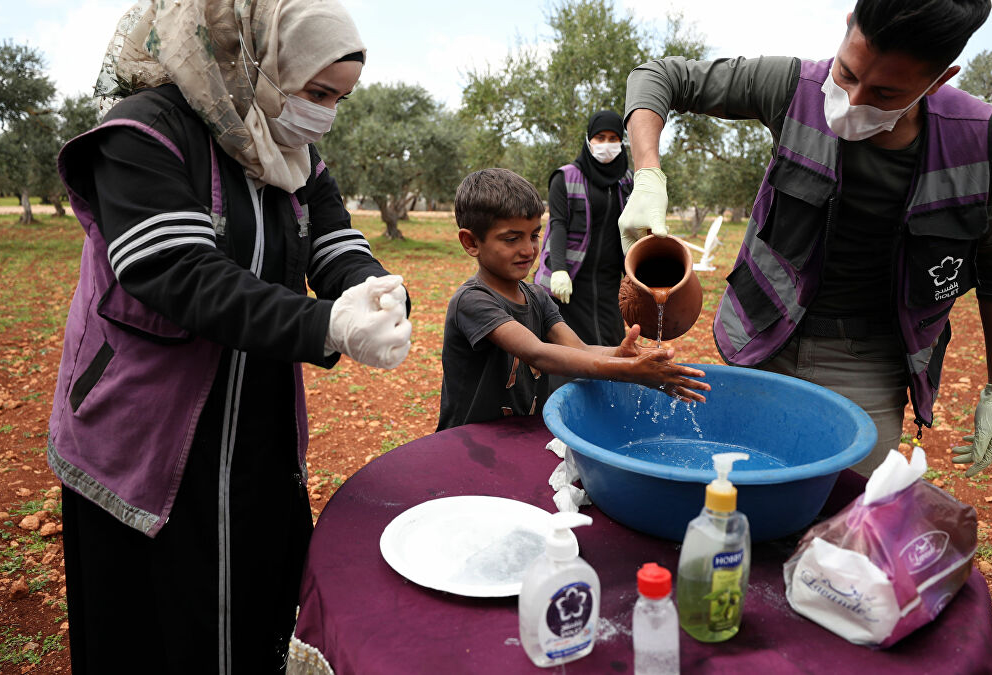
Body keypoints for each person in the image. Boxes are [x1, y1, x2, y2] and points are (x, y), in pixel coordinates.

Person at [46, 1, 411, 672]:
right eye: (318, 92)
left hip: (256, 432)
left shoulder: (291, 151)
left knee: (254, 612)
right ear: (259, 57)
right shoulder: (143, 133)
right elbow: (180, 274)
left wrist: (376, 292)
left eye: (338, 99)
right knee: (155, 629)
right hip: (147, 439)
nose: (324, 113)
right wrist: (326, 324)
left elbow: (335, 245)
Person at [619, 0, 992, 477]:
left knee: (843, 506)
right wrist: (648, 173)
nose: (853, 101)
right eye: (848, 74)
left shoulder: (980, 140)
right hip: (762, 339)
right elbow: (658, 76)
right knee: (741, 484)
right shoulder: (794, 88)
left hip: (870, 362)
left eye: (885, 92)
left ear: (938, 80)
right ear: (848, 27)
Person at [437, 168, 709, 431]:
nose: (528, 249)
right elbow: (538, 353)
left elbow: (579, 348)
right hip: (467, 443)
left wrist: (620, 354)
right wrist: (627, 370)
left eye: (534, 235)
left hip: (520, 437)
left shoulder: (536, 296)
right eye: (511, 239)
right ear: (471, 242)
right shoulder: (473, 301)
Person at [534, 111, 633, 347]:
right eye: (600, 138)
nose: (606, 144)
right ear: (589, 140)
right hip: (571, 280)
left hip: (609, 282)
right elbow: (557, 223)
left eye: (613, 138)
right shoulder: (565, 177)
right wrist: (558, 270)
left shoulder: (627, 180)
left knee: (611, 345)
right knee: (570, 350)